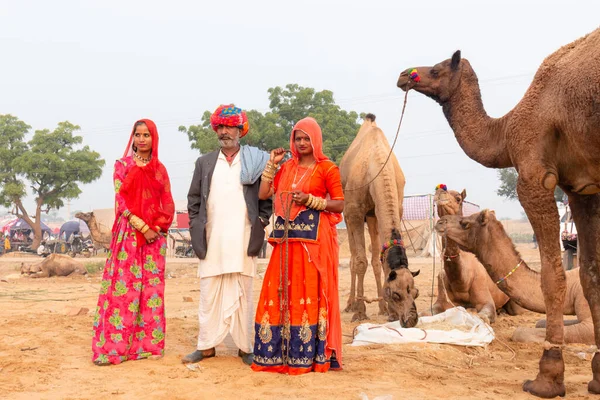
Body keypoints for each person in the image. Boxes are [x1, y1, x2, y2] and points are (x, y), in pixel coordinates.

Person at [252, 117, 344, 375]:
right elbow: (263, 193)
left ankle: (311, 356)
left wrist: (312, 200)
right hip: (286, 242)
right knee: (280, 290)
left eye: (306, 138)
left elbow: (339, 204)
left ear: (315, 140)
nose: (302, 143)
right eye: (298, 138)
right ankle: (277, 355)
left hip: (314, 243)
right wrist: (272, 164)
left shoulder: (327, 168)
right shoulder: (286, 167)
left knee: (311, 292)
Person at [183, 105, 272, 366]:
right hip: (213, 238)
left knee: (243, 291)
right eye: (220, 127)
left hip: (243, 236)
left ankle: (245, 348)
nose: (224, 132)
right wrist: (195, 226)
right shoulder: (205, 162)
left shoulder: (255, 161)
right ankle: (206, 346)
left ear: (240, 130)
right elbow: (194, 199)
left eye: (229, 126)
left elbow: (266, 198)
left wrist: (262, 221)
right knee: (208, 292)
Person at [91, 119, 175, 366]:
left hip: (154, 240)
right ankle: (113, 349)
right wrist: (143, 227)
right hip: (128, 235)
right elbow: (122, 202)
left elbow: (167, 203)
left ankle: (146, 347)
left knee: (150, 292)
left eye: (146, 135)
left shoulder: (160, 169)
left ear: (154, 138)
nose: (141, 139)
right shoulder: (122, 166)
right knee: (123, 291)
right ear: (133, 138)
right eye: (137, 135)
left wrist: (156, 228)